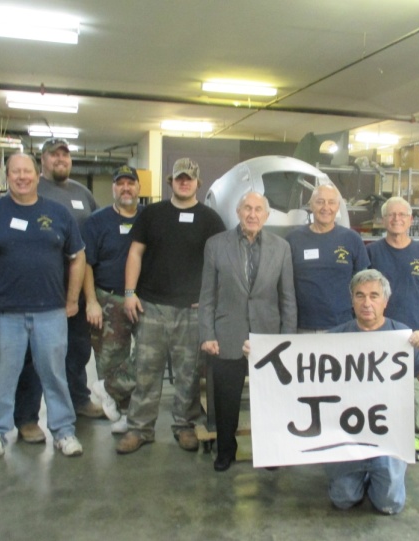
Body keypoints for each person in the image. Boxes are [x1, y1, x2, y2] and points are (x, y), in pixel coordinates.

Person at [0, 153, 86, 469]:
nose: (22, 177)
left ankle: (63, 432)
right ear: (7, 176)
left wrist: (72, 300)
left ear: (36, 175)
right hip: (4, 314)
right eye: (15, 172)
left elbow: (78, 257)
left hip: (50, 312)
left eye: (27, 171)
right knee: (2, 380)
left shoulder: (58, 214)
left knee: (55, 376)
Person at [117, 158, 226, 454]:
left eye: (189, 178)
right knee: (145, 371)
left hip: (191, 311)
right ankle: (140, 428)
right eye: (179, 177)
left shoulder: (210, 219)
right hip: (151, 306)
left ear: (197, 183)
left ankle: (185, 425)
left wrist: (209, 299)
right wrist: (130, 293)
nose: (184, 182)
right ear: (170, 182)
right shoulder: (152, 214)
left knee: (189, 373)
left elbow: (219, 264)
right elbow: (135, 254)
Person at [325, 269, 419, 514]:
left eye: (374, 296)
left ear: (385, 301)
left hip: (388, 436)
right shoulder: (334, 337)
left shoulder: (402, 337)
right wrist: (261, 354)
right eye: (360, 295)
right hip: (348, 435)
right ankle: (360, 476)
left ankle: (382, 474)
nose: (367, 303)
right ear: (352, 300)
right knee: (343, 499)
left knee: (389, 504)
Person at [199, 192, 297, 472]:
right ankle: (225, 451)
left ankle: (268, 450)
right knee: (226, 399)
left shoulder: (281, 248)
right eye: (247, 209)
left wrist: (286, 340)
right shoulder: (216, 245)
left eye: (258, 209)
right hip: (227, 335)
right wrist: (207, 333)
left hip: (268, 338)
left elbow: (287, 297)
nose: (252, 214)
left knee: (268, 399)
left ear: (266, 216)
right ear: (238, 212)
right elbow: (207, 295)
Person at [14, 138, 102, 446]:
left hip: (76, 289)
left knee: (78, 349)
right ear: (43, 160)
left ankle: (79, 399)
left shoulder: (83, 194)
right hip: (40, 291)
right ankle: (27, 417)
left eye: (65, 155)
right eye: (54, 155)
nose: (60, 159)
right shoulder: (30, 190)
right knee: (35, 356)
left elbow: (92, 240)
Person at [366, 197, 419, 462]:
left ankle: (413, 437)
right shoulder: (372, 252)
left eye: (402, 215)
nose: (396, 219)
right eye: (391, 215)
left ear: (411, 220)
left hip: (410, 336)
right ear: (383, 220)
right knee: (376, 389)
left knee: (412, 391)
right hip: (376, 333)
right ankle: (378, 435)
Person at [82, 165, 143, 434]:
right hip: (107, 298)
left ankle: (120, 402)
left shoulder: (148, 218)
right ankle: (121, 414)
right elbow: (85, 264)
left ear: (139, 188)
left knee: (147, 357)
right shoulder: (96, 221)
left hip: (144, 299)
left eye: (131, 183)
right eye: (121, 184)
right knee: (110, 361)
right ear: (113, 188)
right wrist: (91, 301)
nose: (126, 188)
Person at [286, 183, 369, 332]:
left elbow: (364, 284)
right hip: (302, 328)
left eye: (331, 202)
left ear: (338, 207)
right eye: (320, 202)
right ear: (311, 205)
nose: (326, 207)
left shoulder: (352, 239)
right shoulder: (293, 240)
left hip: (343, 326)